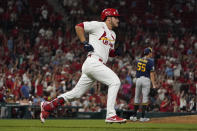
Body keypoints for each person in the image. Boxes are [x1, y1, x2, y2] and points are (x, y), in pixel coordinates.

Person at [40, 8, 126, 123]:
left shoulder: (113, 35)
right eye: (116, 17)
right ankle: (111, 114)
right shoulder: (98, 25)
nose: (118, 20)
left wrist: (115, 53)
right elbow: (78, 27)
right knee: (115, 81)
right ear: (109, 18)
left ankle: (48, 106)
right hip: (93, 61)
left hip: (96, 64)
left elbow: (108, 51)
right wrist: (84, 42)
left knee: (76, 94)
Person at [130, 47, 157, 122]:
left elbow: (137, 71)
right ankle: (143, 117)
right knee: (145, 98)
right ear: (148, 53)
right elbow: (152, 74)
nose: (152, 53)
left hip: (138, 80)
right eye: (151, 52)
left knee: (137, 97)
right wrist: (154, 85)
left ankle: (134, 116)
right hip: (146, 80)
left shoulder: (139, 60)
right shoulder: (151, 61)